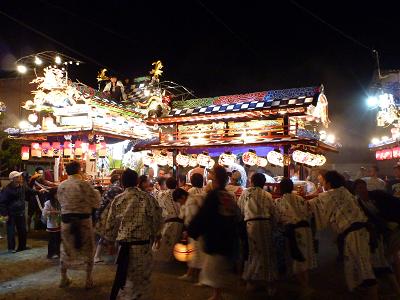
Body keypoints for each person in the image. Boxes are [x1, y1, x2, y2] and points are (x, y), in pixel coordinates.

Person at [308, 171, 378, 299]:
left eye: (322, 181)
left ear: (328, 183)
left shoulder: (330, 194)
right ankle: (363, 291)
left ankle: (374, 295)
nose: (322, 184)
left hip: (354, 233)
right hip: (361, 231)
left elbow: (310, 204)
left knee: (363, 266)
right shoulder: (343, 191)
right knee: (357, 263)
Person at [105, 168, 162, 300]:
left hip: (123, 246)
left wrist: (110, 242)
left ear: (122, 183)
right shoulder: (148, 198)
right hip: (143, 246)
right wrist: (157, 234)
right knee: (142, 278)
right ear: (137, 181)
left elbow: (111, 223)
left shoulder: (118, 199)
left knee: (127, 278)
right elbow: (157, 218)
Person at [188, 165, 244, 300]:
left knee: (215, 268)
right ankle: (217, 293)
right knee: (218, 266)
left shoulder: (213, 195)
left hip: (217, 235)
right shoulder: (228, 195)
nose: (209, 175)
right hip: (228, 235)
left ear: (215, 177)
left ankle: (217, 295)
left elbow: (205, 214)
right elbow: (237, 215)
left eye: (212, 173)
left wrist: (193, 229)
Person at [57, 161, 101, 289]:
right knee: (87, 250)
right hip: (83, 222)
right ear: (79, 170)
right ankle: (88, 280)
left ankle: (63, 278)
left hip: (66, 222)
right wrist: (97, 192)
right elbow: (96, 203)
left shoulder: (62, 186)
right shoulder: (84, 185)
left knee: (65, 249)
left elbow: (60, 201)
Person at [354, 179, 400, 288]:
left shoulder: (378, 194)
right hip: (385, 229)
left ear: (366, 187)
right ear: (355, 190)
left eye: (363, 187)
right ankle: (394, 282)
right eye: (359, 188)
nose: (362, 190)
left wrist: (395, 220)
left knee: (392, 254)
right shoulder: (359, 203)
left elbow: (395, 202)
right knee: (391, 256)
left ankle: (395, 283)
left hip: (396, 224)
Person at [275, 178, 317, 291]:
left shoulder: (279, 201)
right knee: (304, 257)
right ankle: (305, 283)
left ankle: (306, 287)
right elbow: (309, 213)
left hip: (294, 231)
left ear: (280, 188)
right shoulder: (300, 199)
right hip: (306, 230)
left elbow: (277, 218)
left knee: (297, 258)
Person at [238, 172, 276, 294]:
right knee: (267, 253)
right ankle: (269, 283)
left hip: (251, 225)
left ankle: (251, 281)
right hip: (265, 224)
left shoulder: (246, 192)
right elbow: (273, 212)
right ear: (264, 183)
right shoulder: (268, 195)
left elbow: (241, 209)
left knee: (254, 252)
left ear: (252, 182)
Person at [0, 171, 42, 253]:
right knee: (11, 231)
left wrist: (38, 191)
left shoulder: (22, 186)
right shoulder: (7, 190)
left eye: (20, 176)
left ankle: (22, 246)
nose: (20, 177)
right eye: (18, 176)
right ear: (12, 179)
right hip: (11, 213)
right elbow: (2, 203)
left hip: (21, 212)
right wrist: (4, 214)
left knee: (22, 230)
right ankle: (11, 248)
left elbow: (30, 191)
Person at [179, 173, 206, 283]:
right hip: (203, 226)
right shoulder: (204, 192)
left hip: (193, 226)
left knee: (194, 250)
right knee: (199, 250)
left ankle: (192, 274)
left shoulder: (189, 192)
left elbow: (186, 211)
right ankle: (195, 274)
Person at [94, 174, 123, 264]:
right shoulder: (117, 189)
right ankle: (97, 256)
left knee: (105, 235)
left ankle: (98, 256)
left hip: (104, 212)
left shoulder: (115, 186)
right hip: (107, 213)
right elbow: (117, 205)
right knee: (107, 235)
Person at [154, 177, 183, 262]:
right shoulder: (180, 193)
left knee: (163, 248)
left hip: (168, 222)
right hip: (181, 223)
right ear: (176, 184)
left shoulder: (161, 194)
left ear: (166, 185)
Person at [28, 167, 57, 231]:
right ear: (36, 173)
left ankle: (37, 227)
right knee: (30, 214)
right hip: (33, 198)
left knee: (39, 213)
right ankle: (28, 228)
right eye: (39, 173)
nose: (40, 175)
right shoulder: (32, 179)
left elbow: (47, 184)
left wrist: (55, 185)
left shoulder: (42, 180)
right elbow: (29, 187)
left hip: (40, 197)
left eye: (42, 173)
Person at [42, 188, 61, 259]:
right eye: (57, 193)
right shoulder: (48, 203)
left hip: (58, 223)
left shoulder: (59, 202)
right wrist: (53, 212)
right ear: (53, 195)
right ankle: (50, 254)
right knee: (52, 240)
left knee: (58, 239)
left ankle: (57, 252)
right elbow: (44, 213)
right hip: (52, 224)